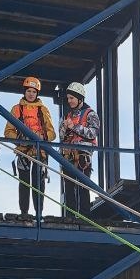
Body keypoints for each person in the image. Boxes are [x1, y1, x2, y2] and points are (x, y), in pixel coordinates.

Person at [3, 76, 55, 223]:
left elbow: (51, 133)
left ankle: (39, 213)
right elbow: (8, 132)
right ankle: (24, 212)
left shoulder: (43, 110)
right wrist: (21, 138)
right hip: (23, 151)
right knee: (24, 182)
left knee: (39, 183)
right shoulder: (16, 109)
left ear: (37, 93)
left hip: (40, 151)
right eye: (28, 91)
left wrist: (40, 136)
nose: (31, 94)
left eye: (33, 91)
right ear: (24, 92)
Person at [59, 81, 100, 219]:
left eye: (72, 98)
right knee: (69, 187)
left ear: (80, 98)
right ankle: (70, 216)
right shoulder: (67, 116)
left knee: (83, 186)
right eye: (68, 98)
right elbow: (61, 136)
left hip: (83, 155)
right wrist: (65, 128)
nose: (69, 101)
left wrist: (74, 127)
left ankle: (85, 217)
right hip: (69, 154)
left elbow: (93, 133)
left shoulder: (91, 114)